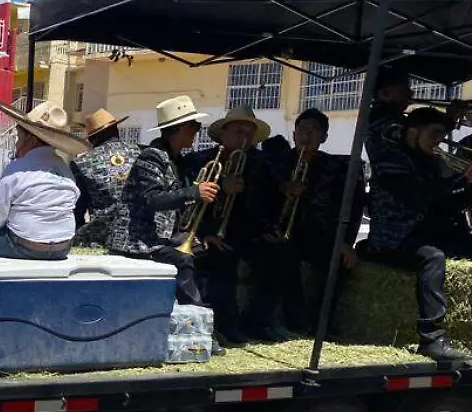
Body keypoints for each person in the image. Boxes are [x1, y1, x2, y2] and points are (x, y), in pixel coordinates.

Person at [108, 95, 224, 355]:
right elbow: (153, 199)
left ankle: (210, 322)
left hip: (161, 236)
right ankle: (201, 332)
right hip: (138, 240)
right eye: (194, 127)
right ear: (180, 129)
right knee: (182, 261)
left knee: (211, 257)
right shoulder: (151, 159)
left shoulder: (177, 159)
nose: (196, 133)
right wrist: (194, 192)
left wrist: (203, 233)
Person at [359, 106, 472, 361]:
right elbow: (419, 195)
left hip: (423, 233)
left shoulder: (431, 161)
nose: (439, 143)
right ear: (412, 132)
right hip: (392, 239)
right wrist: (460, 180)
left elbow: (446, 205)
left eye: (442, 136)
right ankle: (432, 339)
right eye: (434, 135)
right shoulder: (392, 160)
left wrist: (466, 188)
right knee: (433, 258)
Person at [188, 103, 289, 344]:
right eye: (238, 132)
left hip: (247, 232)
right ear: (223, 135)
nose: (244, 138)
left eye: (248, 133)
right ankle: (226, 325)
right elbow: (188, 202)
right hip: (211, 233)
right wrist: (222, 185)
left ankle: (259, 322)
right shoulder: (200, 161)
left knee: (281, 255)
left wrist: (268, 228)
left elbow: (268, 203)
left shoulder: (262, 164)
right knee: (221, 261)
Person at [266, 108, 364, 335]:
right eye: (302, 130)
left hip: (321, 235)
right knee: (284, 256)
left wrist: (345, 243)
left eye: (313, 131)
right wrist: (282, 188)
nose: (306, 136)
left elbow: (349, 207)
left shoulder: (336, 167)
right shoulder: (277, 163)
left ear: (324, 137)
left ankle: (322, 322)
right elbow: (263, 197)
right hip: (283, 232)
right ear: (293, 134)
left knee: (339, 262)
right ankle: (296, 320)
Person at [0, 100, 85, 260]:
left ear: (32, 140)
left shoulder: (18, 168)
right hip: (63, 247)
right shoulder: (64, 168)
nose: (16, 143)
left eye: (19, 137)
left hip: (24, 244)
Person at [69, 108, 141, 248]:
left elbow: (77, 211)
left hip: (101, 239)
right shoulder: (140, 153)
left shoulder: (82, 163)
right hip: (139, 237)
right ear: (116, 130)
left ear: (92, 138)